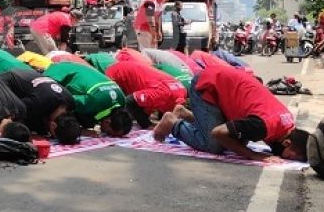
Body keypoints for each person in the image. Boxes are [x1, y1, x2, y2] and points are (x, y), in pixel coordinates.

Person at [152, 63, 309, 163]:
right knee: (214, 145)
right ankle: (173, 123)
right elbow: (217, 133)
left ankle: (185, 113)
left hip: (224, 87)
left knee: (238, 141)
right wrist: (253, 155)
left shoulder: (286, 123)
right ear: (287, 143)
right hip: (208, 85)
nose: (284, 157)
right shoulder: (263, 126)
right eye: (289, 156)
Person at [43, 61, 134, 137]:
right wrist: (79, 130)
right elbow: (63, 101)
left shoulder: (121, 99)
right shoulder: (93, 102)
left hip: (73, 66)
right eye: (108, 133)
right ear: (107, 122)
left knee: (89, 120)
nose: (105, 133)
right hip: (57, 74)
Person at [0, 67, 81, 144]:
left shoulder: (70, 102)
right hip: (7, 81)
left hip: (28, 76)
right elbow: (14, 108)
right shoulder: (39, 102)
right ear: (53, 125)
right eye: (53, 135)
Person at [105, 59, 187, 128]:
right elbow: (129, 101)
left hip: (131, 72)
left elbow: (148, 104)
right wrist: (146, 125)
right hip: (117, 73)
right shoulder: (162, 94)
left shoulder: (182, 90)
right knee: (117, 116)